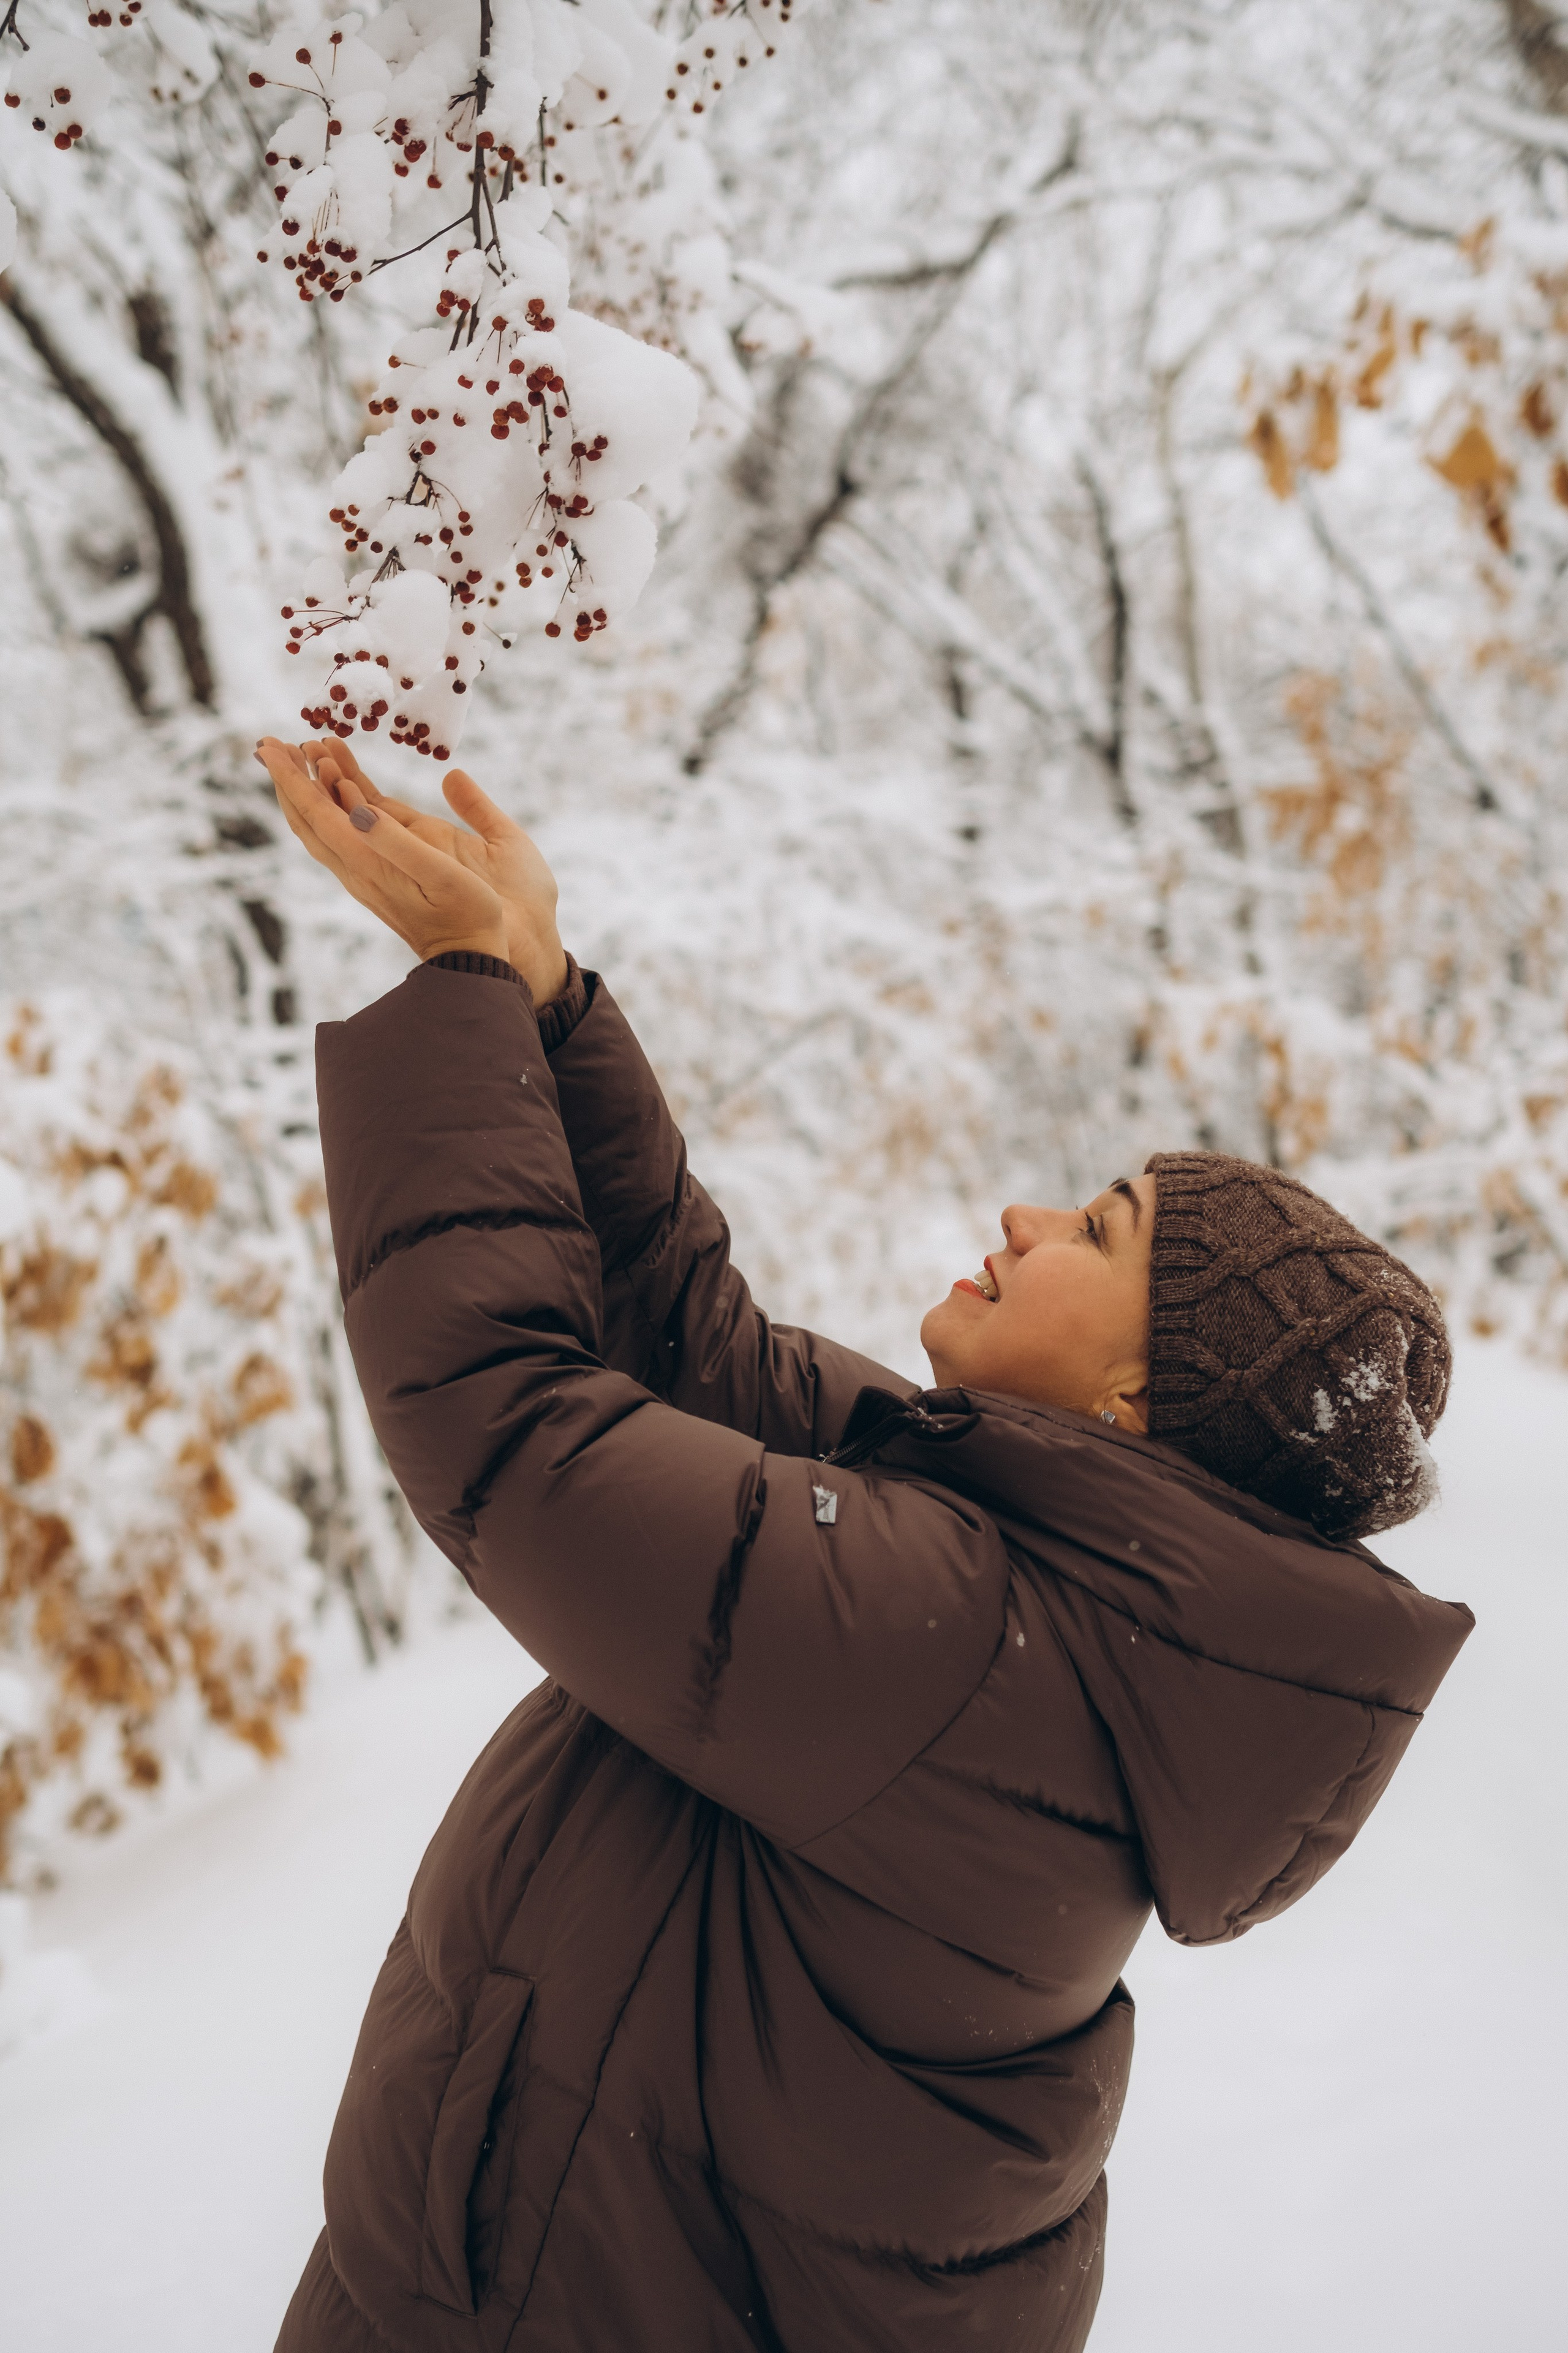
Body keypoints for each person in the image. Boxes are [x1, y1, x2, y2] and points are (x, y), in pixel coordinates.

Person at [259, 737, 1472, 2353]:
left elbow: (512, 1427)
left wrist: (464, 981)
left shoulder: (963, 1646)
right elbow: (709, 1354)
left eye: (1098, 1232)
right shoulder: (1029, 1595)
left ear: (1138, 1393)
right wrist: (548, 999)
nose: (1033, 1218)